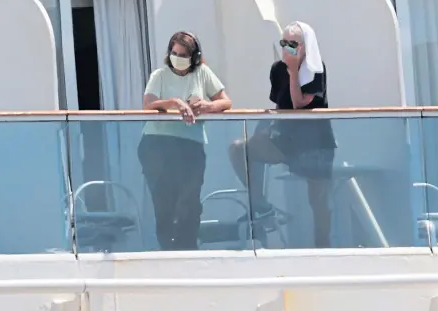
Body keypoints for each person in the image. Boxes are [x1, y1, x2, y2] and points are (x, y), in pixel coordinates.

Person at [228, 21, 336, 248]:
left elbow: (298, 104)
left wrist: (295, 71)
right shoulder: (277, 70)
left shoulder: (317, 69)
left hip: (315, 144)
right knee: (240, 148)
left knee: (318, 202)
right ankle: (260, 205)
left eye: (293, 44)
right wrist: (262, 131)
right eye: (284, 43)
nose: (287, 48)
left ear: (305, 46)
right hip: (286, 141)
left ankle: (323, 251)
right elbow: (279, 105)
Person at [138, 31, 232, 251]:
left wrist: (207, 106)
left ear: (194, 56)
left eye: (183, 54)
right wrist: (175, 103)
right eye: (174, 52)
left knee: (189, 201)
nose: (177, 57)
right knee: (164, 203)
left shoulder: (202, 73)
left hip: (190, 145)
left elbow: (226, 102)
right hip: (156, 145)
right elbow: (148, 105)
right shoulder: (159, 75)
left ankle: (188, 249)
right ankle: (167, 250)